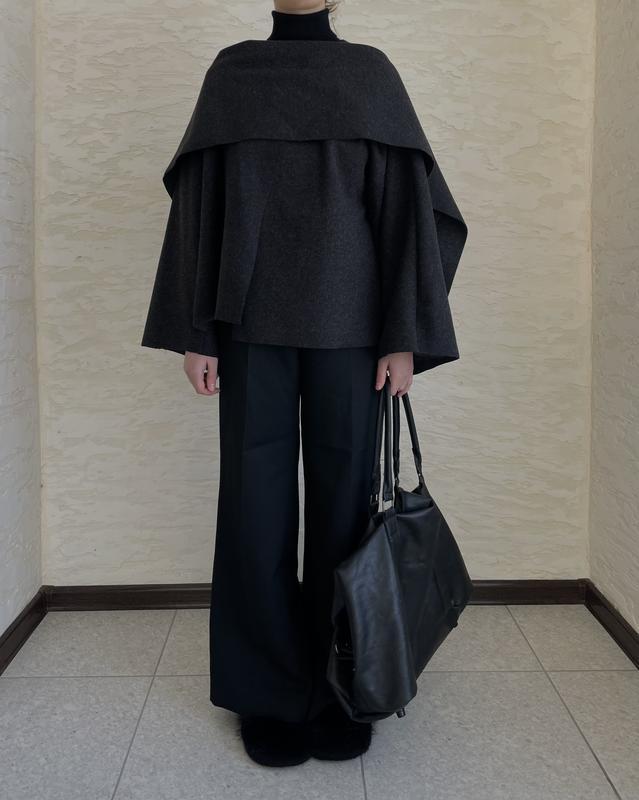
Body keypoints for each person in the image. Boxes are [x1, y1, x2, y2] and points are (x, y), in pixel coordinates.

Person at [141, 0, 468, 769]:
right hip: (248, 327)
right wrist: (196, 333)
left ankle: (337, 685)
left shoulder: (367, 75)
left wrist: (402, 338)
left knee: (344, 508)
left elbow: (404, 209)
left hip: (352, 333)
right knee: (252, 510)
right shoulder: (234, 73)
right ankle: (265, 694)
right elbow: (199, 205)